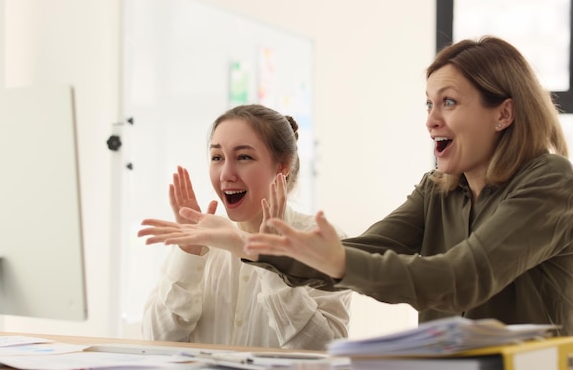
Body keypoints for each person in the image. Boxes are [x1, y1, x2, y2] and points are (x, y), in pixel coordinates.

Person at [137, 36, 573, 335]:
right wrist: (268, 249)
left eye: (449, 102)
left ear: (503, 114)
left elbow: (462, 278)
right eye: (428, 103)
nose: (431, 119)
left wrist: (332, 259)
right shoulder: (437, 190)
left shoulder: (551, 183)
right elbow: (366, 249)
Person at [138, 104, 352, 350]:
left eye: (244, 157)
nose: (226, 174)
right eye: (217, 157)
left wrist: (270, 262)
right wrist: (189, 249)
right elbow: (157, 342)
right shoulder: (203, 238)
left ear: (283, 166)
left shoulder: (324, 241)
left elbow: (325, 350)